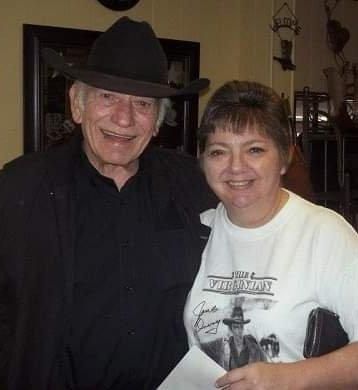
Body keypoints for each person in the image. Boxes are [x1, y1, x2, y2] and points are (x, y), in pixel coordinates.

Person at [0, 17, 216, 389]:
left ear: (156, 122)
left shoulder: (195, 184)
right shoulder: (18, 188)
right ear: (77, 105)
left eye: (142, 104)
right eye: (107, 96)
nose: (124, 117)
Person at [184, 80, 358, 389]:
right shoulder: (197, 231)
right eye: (219, 152)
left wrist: (290, 378)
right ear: (203, 161)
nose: (236, 167)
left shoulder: (324, 234)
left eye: (254, 150)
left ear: (284, 157)